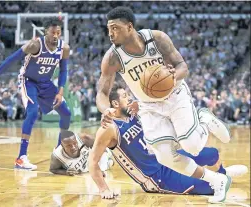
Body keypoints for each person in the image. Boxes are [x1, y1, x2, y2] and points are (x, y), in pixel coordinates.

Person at [96, 7, 232, 203]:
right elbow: (102, 92)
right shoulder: (112, 57)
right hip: (149, 106)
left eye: (115, 28)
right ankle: (216, 181)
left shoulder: (156, 39)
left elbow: (182, 65)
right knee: (165, 157)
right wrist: (106, 109)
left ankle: (203, 118)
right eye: (108, 29)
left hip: (175, 95)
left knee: (192, 147)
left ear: (130, 27)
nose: (110, 34)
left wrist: (172, 76)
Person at [90, 84, 248, 199]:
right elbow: (93, 162)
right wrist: (103, 189)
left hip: (166, 157)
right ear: (115, 103)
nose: (129, 97)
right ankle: (223, 175)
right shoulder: (108, 128)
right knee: (209, 188)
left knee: (212, 154)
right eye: (125, 96)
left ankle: (222, 172)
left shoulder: (133, 114)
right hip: (157, 177)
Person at [0, 18, 71, 170]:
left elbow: (63, 70)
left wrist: (61, 90)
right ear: (45, 32)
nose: (55, 35)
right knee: (32, 112)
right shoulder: (35, 45)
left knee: (66, 113)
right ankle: (21, 158)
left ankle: (58, 151)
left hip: (46, 83)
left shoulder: (64, 48)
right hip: (28, 81)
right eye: (52, 32)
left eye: (58, 32)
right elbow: (12, 59)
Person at [50, 130, 114, 176]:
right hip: (85, 168)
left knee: (103, 163)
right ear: (62, 145)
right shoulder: (56, 156)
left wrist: (101, 170)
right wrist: (65, 172)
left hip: (98, 153)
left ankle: (109, 162)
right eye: (69, 145)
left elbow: (103, 148)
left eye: (75, 143)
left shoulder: (85, 139)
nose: (73, 147)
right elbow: (53, 170)